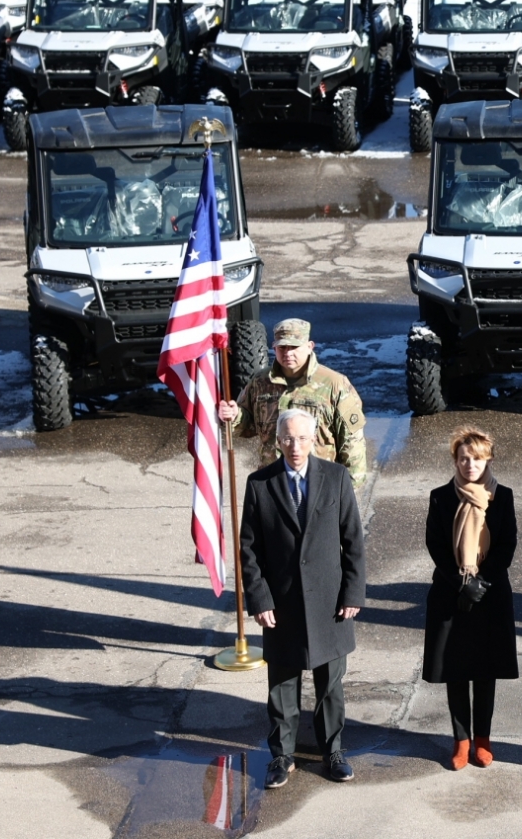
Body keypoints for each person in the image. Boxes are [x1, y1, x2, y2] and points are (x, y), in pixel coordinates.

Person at [239, 408, 367, 789]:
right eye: (288, 438)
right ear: (278, 441)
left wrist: (353, 592)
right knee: (282, 687)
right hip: (282, 606)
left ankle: (334, 752)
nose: (295, 446)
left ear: (315, 440)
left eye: (303, 438)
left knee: (331, 685)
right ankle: (282, 755)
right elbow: (249, 550)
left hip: (330, 603)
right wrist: (259, 600)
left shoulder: (336, 477)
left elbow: (353, 542)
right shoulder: (260, 484)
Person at [423, 427, 519, 772]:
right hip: (451, 594)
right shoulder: (440, 496)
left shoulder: (502, 496)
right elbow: (435, 544)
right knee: (455, 671)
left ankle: (483, 740)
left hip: (490, 596)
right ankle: (461, 740)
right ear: (455, 460)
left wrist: (482, 582)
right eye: (464, 458)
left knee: (486, 671)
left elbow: (507, 544)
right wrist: (460, 583)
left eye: (476, 459)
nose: (469, 465)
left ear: (487, 459)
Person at [218, 318, 368, 491]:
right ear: (274, 347)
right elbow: (248, 425)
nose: (287, 353)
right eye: (282, 347)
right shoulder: (260, 382)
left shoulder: (335, 385)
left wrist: (348, 490)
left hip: (319, 486)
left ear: (310, 346)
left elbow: (351, 442)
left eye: (294, 347)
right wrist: (235, 416)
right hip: (273, 483)